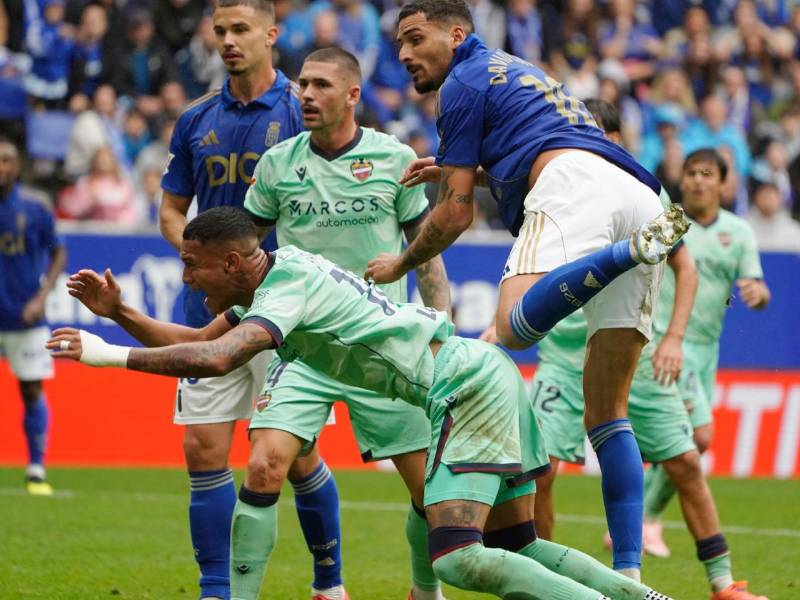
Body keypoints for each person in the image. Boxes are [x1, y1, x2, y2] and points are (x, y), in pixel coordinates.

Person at [50, 206, 676, 600]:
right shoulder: (278, 276)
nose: (186, 278)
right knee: (518, 546)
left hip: (464, 388)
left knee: (457, 558)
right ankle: (639, 597)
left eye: (192, 266)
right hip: (484, 375)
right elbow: (195, 341)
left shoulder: (286, 287)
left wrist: (104, 356)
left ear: (234, 261)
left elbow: (217, 360)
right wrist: (120, 314)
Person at [363, 0, 688, 580]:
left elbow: (454, 215)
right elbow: (532, 146)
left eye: (415, 38)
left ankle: (624, 254)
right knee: (609, 414)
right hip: (638, 193)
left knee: (512, 328)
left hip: (573, 185)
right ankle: (630, 579)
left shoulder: (461, 83)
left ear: (456, 34)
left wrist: (401, 263)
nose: (405, 54)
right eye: (399, 45)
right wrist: (466, 169)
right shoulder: (513, 66)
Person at [531, 102, 769, 600]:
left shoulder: (644, 190)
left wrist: (673, 339)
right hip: (565, 353)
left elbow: (684, 266)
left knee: (686, 461)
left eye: (592, 133)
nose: (578, 143)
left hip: (629, 352)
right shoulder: (554, 184)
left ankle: (723, 583)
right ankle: (545, 586)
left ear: (615, 138)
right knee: (541, 472)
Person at [242, 47, 450, 600]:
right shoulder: (277, 165)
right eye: (303, 85)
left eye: (322, 85)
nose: (307, 95)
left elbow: (426, 256)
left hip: (383, 349)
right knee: (263, 466)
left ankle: (424, 591)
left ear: (353, 94)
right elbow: (244, 254)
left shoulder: (394, 158)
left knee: (431, 496)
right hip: (304, 350)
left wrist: (442, 332)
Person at [157, 1, 342, 598]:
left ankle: (328, 580)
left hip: (284, 314)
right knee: (202, 448)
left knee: (291, 455)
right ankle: (216, 590)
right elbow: (171, 209)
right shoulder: (195, 118)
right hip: (210, 311)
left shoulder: (301, 109)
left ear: (271, 34)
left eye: (240, 29)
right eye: (220, 31)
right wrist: (202, 262)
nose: (228, 41)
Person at [641, 148, 770, 570]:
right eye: (691, 173)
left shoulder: (739, 231)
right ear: (682, 180)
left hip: (705, 350)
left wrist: (757, 294)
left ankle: (641, 520)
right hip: (665, 342)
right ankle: (646, 519)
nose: (698, 180)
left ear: (722, 183)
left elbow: (757, 287)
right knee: (698, 437)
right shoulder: (669, 221)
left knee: (686, 441)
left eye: (707, 173)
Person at [0, 138, 66, 495]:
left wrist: (42, 296)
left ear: (17, 165)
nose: (1, 166)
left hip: (24, 315)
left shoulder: (35, 206)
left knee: (30, 389)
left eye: (6, 160)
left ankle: (36, 467)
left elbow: (58, 253)